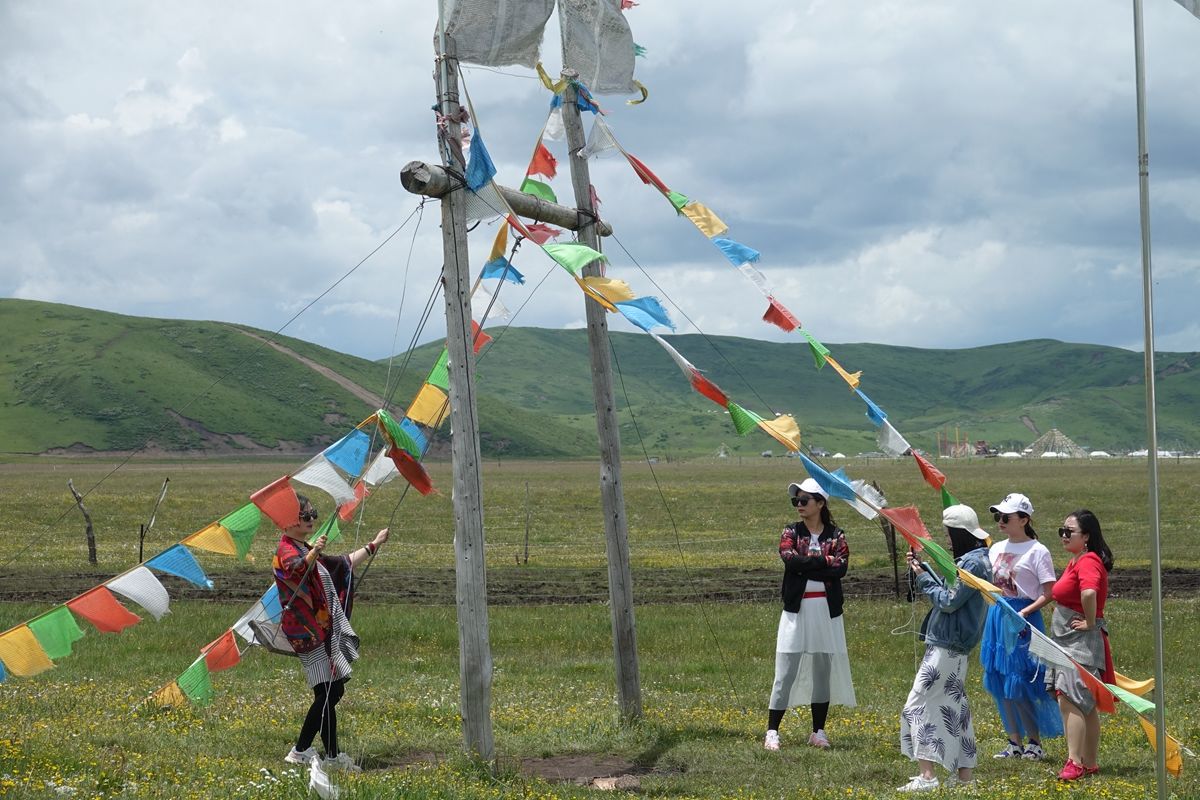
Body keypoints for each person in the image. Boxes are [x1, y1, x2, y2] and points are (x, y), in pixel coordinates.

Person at [275, 494, 389, 772]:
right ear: (289, 521)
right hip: (309, 633)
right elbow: (296, 570)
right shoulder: (287, 551)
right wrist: (314, 552)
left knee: (329, 691)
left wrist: (374, 544)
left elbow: (343, 563)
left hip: (320, 633)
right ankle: (307, 751)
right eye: (306, 515)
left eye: (314, 514)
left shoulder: (303, 547)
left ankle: (326, 755)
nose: (312, 520)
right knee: (329, 691)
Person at [896, 504, 993, 792]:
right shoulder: (978, 559)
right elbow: (953, 592)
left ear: (960, 532)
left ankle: (928, 776)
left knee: (917, 704)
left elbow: (949, 602)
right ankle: (965, 776)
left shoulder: (972, 564)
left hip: (946, 647)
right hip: (954, 648)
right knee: (957, 710)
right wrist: (924, 568)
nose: (947, 539)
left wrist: (924, 579)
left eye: (949, 533)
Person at [764, 478, 855, 751]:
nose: (799, 505)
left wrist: (808, 566)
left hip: (826, 612)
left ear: (820, 503)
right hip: (797, 610)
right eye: (796, 501)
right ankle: (772, 731)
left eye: (804, 500)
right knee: (786, 670)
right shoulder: (790, 531)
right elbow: (789, 559)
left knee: (822, 672)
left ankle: (818, 731)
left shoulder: (836, 535)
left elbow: (840, 568)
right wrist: (822, 562)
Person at [978, 492, 1062, 760]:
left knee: (1022, 680)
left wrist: (1024, 612)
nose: (1000, 521)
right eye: (997, 516)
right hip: (998, 615)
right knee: (1000, 678)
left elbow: (1049, 592)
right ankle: (1014, 742)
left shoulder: (1038, 551)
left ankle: (1034, 742)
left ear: (1024, 519)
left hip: (1022, 618)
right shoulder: (995, 548)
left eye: (1006, 517)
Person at [1046, 509, 1114, 781]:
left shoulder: (1088, 562)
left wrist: (1088, 621)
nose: (1063, 536)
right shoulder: (1078, 560)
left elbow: (1089, 592)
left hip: (1080, 642)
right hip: (1068, 640)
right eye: (1061, 531)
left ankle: (1074, 762)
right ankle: (1089, 762)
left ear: (1086, 536)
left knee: (1070, 698)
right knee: (1084, 704)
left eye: (1068, 532)